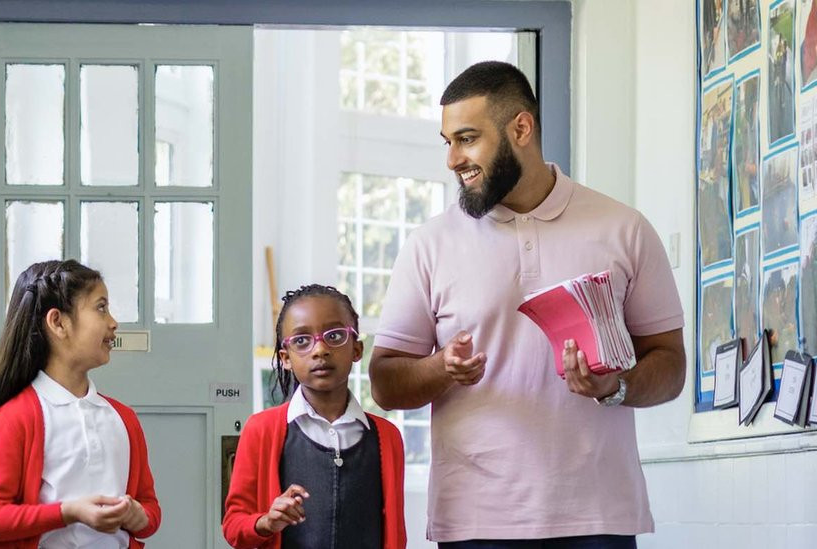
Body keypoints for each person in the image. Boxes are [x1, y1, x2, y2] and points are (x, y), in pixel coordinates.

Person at [369, 61, 686, 548]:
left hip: (599, 517)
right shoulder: (429, 245)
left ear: (521, 127)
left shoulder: (625, 229)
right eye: (447, 141)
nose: (452, 159)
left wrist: (614, 386)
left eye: (467, 138)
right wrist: (441, 368)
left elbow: (670, 365)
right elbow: (385, 382)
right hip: (475, 522)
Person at [0, 259, 161, 548]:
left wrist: (137, 515)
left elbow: (151, 511)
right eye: (101, 307)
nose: (113, 322)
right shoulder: (16, 416)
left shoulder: (124, 419)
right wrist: (69, 512)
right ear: (58, 322)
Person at [223, 284, 407, 549]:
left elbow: (394, 533)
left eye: (334, 336)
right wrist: (266, 522)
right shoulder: (261, 430)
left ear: (357, 349)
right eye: (301, 341)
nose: (319, 349)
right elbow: (233, 525)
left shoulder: (386, 437)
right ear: (286, 358)